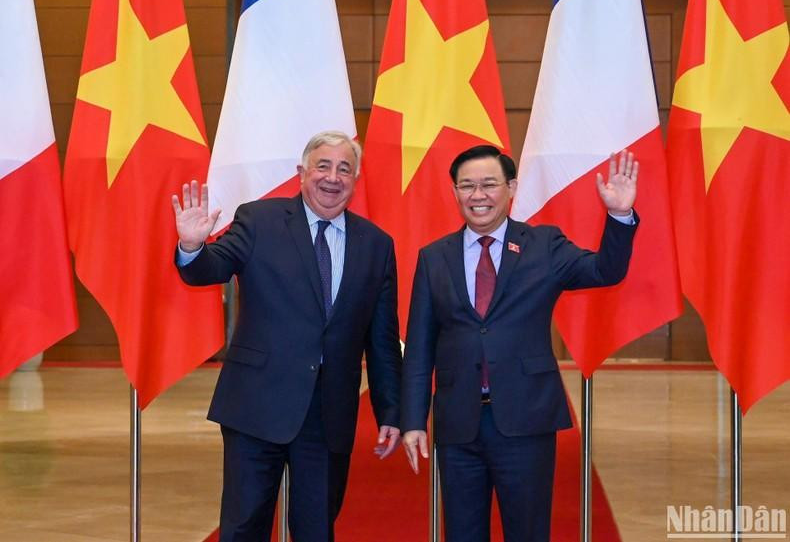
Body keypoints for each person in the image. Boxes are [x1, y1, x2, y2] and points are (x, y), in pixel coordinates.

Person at [400, 145, 639, 542]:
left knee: (527, 531)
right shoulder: (433, 257)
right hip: (458, 425)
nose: (478, 196)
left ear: (510, 188)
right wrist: (413, 420)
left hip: (526, 421)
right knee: (462, 532)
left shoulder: (543, 246)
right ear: (455, 191)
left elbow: (605, 270)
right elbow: (420, 347)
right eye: (467, 186)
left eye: (489, 184)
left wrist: (619, 215)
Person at [172, 131, 402, 542]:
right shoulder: (259, 219)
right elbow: (213, 267)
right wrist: (192, 247)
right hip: (256, 407)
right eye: (323, 166)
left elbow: (381, 340)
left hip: (328, 415)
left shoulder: (377, 245)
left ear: (356, 179)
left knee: (317, 530)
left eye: (344, 169)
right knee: (244, 528)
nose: (333, 177)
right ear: (301, 173)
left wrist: (391, 412)